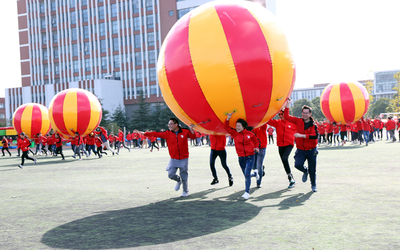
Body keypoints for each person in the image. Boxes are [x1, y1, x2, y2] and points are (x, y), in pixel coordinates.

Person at [144, 118, 196, 197]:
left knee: (184, 175)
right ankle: (179, 181)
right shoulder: (167, 133)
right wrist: (146, 133)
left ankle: (185, 191)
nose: (169, 126)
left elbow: (193, 137)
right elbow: (156, 134)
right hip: (173, 158)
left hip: (184, 158)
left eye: (171, 124)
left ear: (176, 124)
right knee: (170, 174)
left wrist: (192, 130)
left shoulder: (185, 131)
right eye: (169, 124)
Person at [284, 99, 319, 192]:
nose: (305, 115)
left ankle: (313, 185)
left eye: (307, 113)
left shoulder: (313, 125)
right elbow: (286, 116)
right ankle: (305, 170)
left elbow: (315, 136)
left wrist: (302, 135)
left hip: (312, 150)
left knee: (313, 169)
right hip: (301, 150)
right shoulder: (298, 121)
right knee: (297, 164)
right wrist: (287, 105)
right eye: (303, 113)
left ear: (310, 114)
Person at [224, 112, 260, 200]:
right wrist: (228, 118)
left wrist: (256, 147)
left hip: (250, 156)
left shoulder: (250, 134)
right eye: (236, 126)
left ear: (243, 126)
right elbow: (226, 127)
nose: (237, 127)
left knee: (247, 174)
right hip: (241, 158)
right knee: (246, 174)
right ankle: (255, 173)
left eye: (239, 126)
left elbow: (256, 141)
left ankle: (247, 192)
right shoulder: (235, 133)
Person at [267, 109, 297, 188]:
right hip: (280, 145)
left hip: (289, 144)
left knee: (284, 158)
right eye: (279, 114)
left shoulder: (293, 123)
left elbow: (300, 130)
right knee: (284, 161)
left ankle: (290, 177)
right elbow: (267, 120)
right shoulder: (277, 122)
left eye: (282, 114)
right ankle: (290, 177)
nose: (280, 116)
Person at [252, 123, 267, 188]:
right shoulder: (252, 126)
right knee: (253, 166)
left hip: (262, 147)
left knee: (258, 166)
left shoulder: (262, 125)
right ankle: (261, 169)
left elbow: (265, 121)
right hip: (254, 147)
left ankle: (258, 182)